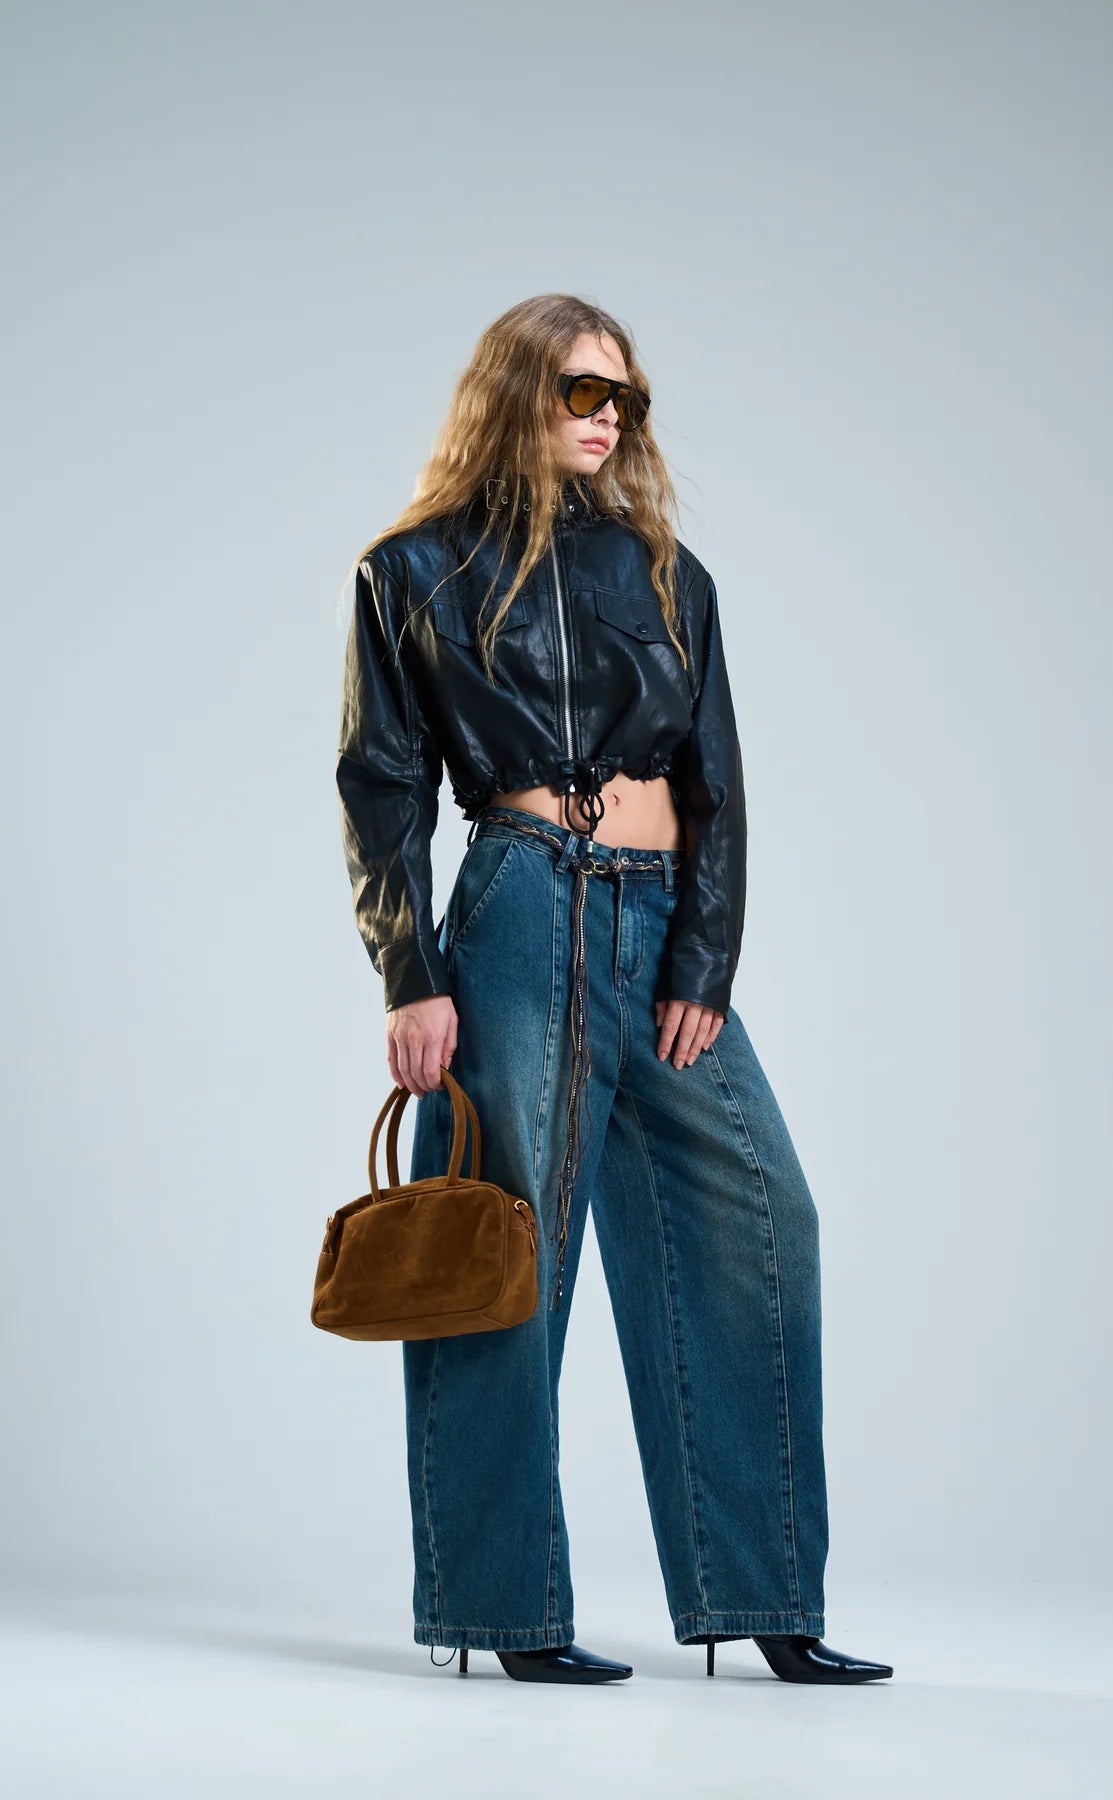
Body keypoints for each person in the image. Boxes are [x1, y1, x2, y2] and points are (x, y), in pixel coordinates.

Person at [335, 293, 893, 1688]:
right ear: (514, 391)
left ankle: (764, 1597)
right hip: (522, 905)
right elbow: (383, 785)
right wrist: (409, 973)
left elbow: (718, 785)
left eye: (626, 399)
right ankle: (503, 1611)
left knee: (761, 1218)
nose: (609, 418)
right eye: (583, 390)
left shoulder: (668, 573)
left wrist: (704, 958)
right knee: (506, 1246)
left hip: (657, 921)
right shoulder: (411, 570)